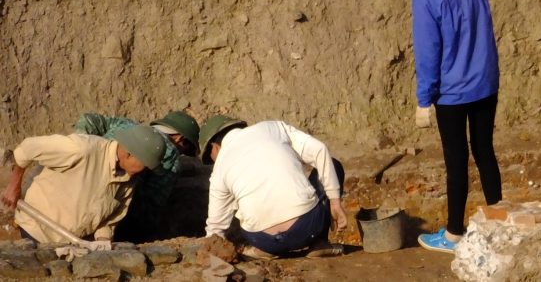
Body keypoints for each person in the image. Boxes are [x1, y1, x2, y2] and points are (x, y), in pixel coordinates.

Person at [383, 0, 502, 253]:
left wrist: (424, 99)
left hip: (452, 92)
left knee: (456, 160)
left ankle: (453, 234)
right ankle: (498, 220)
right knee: (485, 151)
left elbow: (428, 52)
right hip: (485, 82)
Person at [200, 116, 347, 258]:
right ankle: (319, 243)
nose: (214, 162)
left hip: (262, 240)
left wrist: (211, 250)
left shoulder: (219, 168)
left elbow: (216, 226)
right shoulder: (273, 127)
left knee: (239, 206)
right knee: (333, 165)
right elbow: (320, 150)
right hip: (307, 227)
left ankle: (264, 251)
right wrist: (335, 202)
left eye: (210, 157)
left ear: (214, 146)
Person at [1, 125, 165, 243]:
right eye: (145, 166)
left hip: (73, 242)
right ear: (129, 154)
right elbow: (28, 148)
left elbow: (112, 218)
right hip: (37, 231)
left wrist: (103, 239)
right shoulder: (82, 150)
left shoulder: (129, 180)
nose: (145, 172)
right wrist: (14, 186)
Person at [73, 110, 200, 241]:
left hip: (76, 187)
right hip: (101, 212)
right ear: (180, 139)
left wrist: (83, 150)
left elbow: (88, 119)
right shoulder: (171, 156)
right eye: (185, 151)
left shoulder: (127, 124)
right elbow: (150, 207)